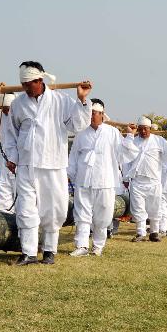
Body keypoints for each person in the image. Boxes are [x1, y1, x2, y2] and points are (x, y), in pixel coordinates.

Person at [4, 61, 91, 265]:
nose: (25, 88)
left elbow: (78, 125)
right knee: (26, 209)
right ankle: (29, 252)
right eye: (22, 84)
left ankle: (50, 250)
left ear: (39, 80)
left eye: (29, 84)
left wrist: (82, 100)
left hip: (53, 164)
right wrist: (12, 158)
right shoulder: (18, 104)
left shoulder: (61, 101)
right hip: (26, 165)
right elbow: (11, 134)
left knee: (53, 209)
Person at [67, 100, 137, 256]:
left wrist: (130, 136)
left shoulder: (112, 132)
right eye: (90, 113)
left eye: (94, 113)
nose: (91, 116)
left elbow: (126, 154)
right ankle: (82, 246)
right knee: (82, 215)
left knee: (103, 215)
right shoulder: (81, 134)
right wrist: (70, 175)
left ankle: (98, 245)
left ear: (101, 114)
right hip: (84, 180)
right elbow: (73, 157)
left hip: (105, 181)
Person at [121, 117, 167, 242]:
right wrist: (125, 177)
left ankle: (154, 232)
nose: (143, 131)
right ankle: (141, 233)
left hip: (154, 181)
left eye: (146, 129)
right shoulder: (133, 141)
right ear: (138, 129)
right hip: (137, 181)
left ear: (150, 129)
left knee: (155, 208)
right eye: (141, 129)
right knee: (138, 208)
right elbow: (126, 160)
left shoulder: (159, 141)